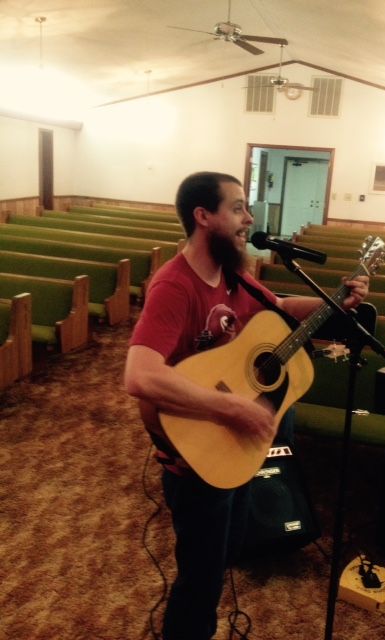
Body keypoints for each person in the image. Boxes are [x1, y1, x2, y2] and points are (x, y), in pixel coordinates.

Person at [124, 171, 369, 640]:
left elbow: (279, 308)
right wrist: (230, 409)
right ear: (203, 216)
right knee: (200, 580)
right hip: (194, 456)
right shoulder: (174, 285)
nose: (249, 219)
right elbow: (139, 376)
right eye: (237, 208)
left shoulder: (232, 273)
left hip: (232, 450)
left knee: (228, 553)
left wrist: (336, 303)